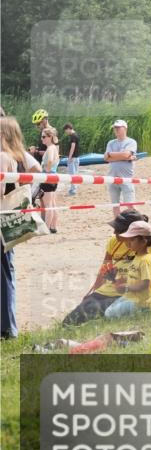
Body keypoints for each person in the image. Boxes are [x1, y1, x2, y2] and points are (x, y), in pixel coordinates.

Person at [63, 210, 151, 326]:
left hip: (129, 295)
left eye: (118, 230)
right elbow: (105, 268)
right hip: (105, 292)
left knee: (98, 319)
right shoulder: (114, 242)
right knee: (69, 321)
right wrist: (92, 292)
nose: (114, 232)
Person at [1, 116, 42, 339]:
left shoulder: (2, 155)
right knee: (7, 271)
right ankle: (8, 327)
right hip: (11, 218)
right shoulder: (19, 154)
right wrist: (27, 194)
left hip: (2, 217)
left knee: (4, 273)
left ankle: (8, 328)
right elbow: (39, 171)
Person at [104, 220, 151, 319]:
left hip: (140, 302)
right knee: (110, 306)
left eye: (132, 240)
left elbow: (145, 284)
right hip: (133, 296)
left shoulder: (145, 260)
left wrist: (127, 287)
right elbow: (135, 277)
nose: (128, 243)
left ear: (143, 242)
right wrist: (123, 281)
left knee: (108, 313)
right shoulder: (137, 256)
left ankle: (141, 313)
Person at [104, 120, 137, 218]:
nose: (116, 129)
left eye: (118, 127)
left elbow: (126, 154)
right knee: (115, 205)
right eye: (115, 128)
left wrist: (111, 155)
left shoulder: (131, 142)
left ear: (125, 128)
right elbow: (105, 158)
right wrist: (124, 157)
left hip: (126, 178)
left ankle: (133, 225)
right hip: (112, 177)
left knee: (130, 205)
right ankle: (118, 227)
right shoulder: (111, 142)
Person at [37, 126, 60, 233]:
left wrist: (46, 169)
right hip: (53, 177)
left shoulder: (50, 148)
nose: (42, 139)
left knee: (48, 204)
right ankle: (53, 226)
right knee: (53, 203)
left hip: (48, 177)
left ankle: (46, 227)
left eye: (43, 137)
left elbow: (50, 161)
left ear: (50, 137)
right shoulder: (54, 147)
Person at [61, 122, 80, 196]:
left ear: (68, 128)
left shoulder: (73, 136)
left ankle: (73, 190)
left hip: (73, 158)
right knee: (75, 174)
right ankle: (74, 189)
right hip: (76, 157)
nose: (66, 132)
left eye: (66, 131)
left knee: (72, 175)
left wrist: (69, 157)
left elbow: (73, 147)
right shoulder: (76, 135)